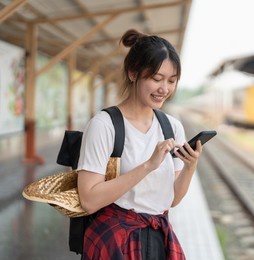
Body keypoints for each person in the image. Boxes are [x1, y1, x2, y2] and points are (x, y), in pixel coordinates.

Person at [76, 29, 202, 260]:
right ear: (133, 73)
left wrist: (190, 167)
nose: (164, 89)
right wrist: (148, 166)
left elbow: (173, 199)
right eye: (156, 79)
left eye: (172, 81)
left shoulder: (172, 127)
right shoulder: (104, 125)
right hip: (115, 240)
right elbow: (89, 200)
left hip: (157, 238)